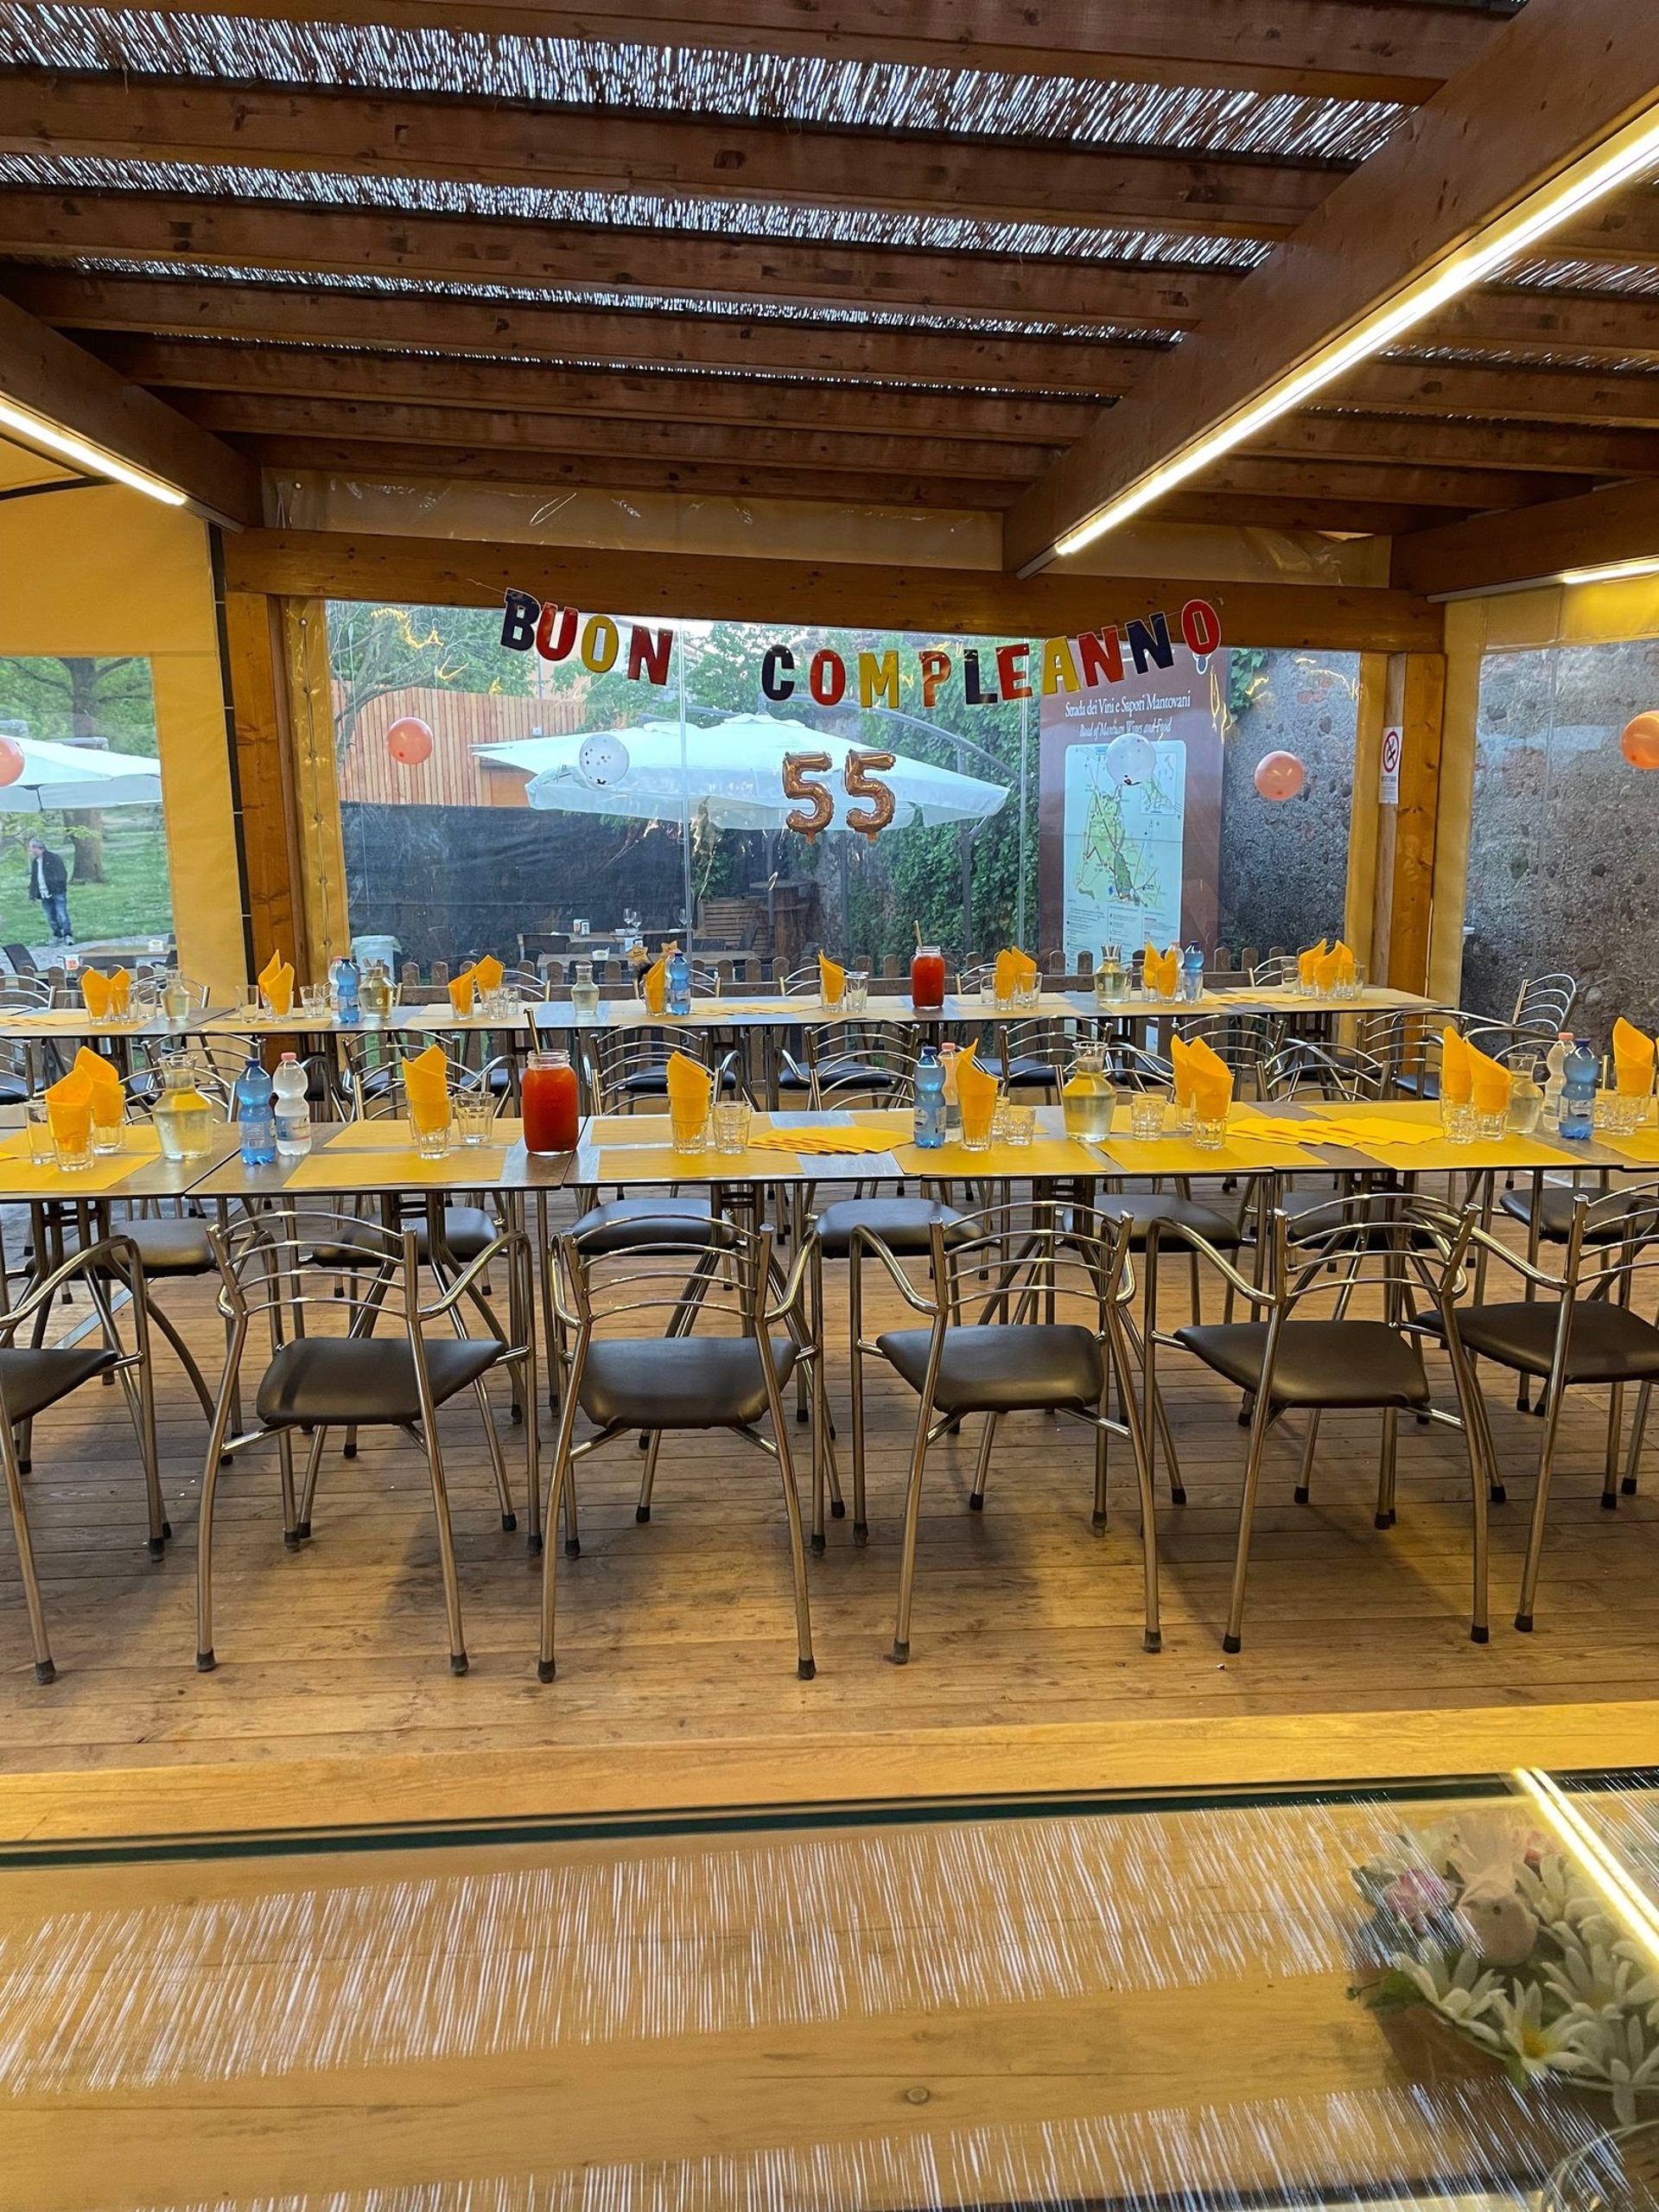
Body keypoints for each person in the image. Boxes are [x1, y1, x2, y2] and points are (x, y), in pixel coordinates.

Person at [27, 838, 72, 944]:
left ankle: (68, 935)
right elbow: (34, 879)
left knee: (62, 914)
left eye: (32, 848)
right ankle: (57, 935)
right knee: (50, 916)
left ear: (37, 848)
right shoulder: (35, 862)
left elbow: (62, 874)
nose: (31, 851)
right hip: (44, 893)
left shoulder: (53, 858)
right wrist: (32, 895)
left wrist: (57, 887)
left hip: (57, 892)